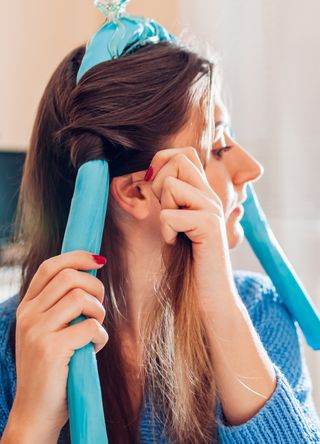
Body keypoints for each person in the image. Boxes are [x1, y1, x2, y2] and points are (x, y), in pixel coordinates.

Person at [0, 24, 319, 444]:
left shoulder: (261, 314)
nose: (251, 168)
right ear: (137, 190)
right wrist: (31, 420)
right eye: (219, 147)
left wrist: (221, 307)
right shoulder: (15, 344)